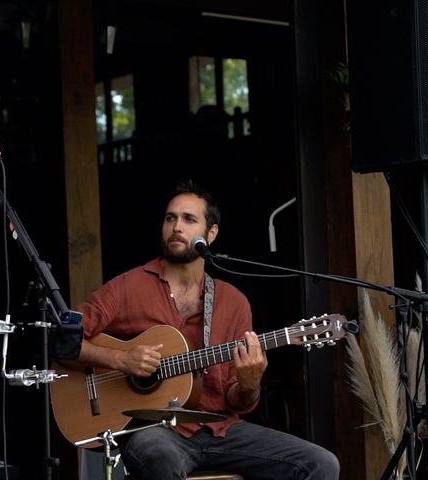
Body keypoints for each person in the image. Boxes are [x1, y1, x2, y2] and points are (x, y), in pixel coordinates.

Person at [74, 180, 340, 479]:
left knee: (321, 463)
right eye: (170, 218)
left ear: (210, 234)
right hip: (155, 432)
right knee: (159, 456)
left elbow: (236, 400)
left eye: (189, 219)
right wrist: (119, 360)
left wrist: (249, 383)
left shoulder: (233, 302)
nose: (177, 227)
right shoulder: (127, 287)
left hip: (221, 430)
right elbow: (63, 340)